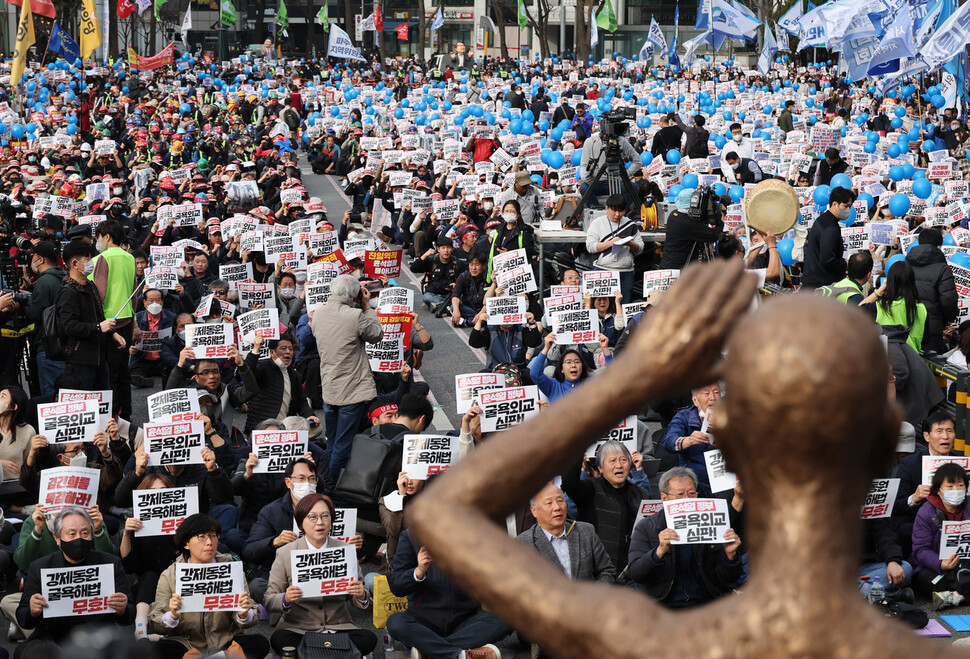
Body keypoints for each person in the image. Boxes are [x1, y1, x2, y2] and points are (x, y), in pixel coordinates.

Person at [264, 493, 376, 655]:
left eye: (325, 516)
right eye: (312, 517)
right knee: (280, 640)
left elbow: (358, 600)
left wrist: (361, 595)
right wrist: (285, 598)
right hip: (298, 628)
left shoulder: (345, 550)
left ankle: (315, 651)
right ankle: (334, 651)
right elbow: (269, 599)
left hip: (338, 626)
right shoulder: (285, 553)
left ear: (331, 520)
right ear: (301, 522)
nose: (320, 522)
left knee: (368, 639)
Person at [149, 513, 268, 659]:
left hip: (225, 639)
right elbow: (156, 623)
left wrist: (243, 614)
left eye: (213, 536)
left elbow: (250, 616)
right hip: (186, 643)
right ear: (186, 543)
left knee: (260, 643)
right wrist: (172, 615)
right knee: (159, 650)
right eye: (202, 537)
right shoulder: (169, 575)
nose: (209, 542)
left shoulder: (231, 569)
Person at [17, 507, 134, 654]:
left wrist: (122, 609)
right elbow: (23, 617)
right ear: (57, 538)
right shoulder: (40, 567)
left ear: (92, 536)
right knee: (23, 652)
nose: (79, 538)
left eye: (85, 533)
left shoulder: (110, 564)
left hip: (99, 638)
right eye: (71, 534)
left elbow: (130, 613)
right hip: (53, 638)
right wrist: (32, 611)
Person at [627, 467, 743, 608]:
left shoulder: (710, 523)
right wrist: (658, 552)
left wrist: (730, 557)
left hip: (705, 603)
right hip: (662, 605)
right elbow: (636, 573)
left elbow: (729, 577)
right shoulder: (646, 526)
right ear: (664, 498)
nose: (687, 500)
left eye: (691, 493)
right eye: (680, 494)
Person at [387, 527, 511, 659]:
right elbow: (396, 586)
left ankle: (429, 651)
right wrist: (418, 572)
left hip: (464, 620)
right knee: (395, 622)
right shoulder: (411, 536)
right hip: (423, 621)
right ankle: (460, 654)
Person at [311, 275, 383, 481]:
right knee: (343, 444)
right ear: (354, 295)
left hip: (329, 387)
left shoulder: (318, 314)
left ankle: (324, 481)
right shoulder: (355, 316)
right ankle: (331, 486)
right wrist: (367, 307)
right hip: (351, 389)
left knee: (332, 441)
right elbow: (377, 334)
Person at [560, 440, 649, 572]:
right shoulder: (590, 488)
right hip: (598, 570)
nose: (619, 465)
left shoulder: (640, 493)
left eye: (623, 460)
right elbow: (569, 484)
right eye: (612, 461)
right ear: (600, 468)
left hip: (631, 569)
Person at [54, 241, 126, 391]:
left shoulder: (90, 285)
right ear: (75, 263)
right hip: (80, 361)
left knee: (103, 405)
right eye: (87, 258)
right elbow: (70, 327)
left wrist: (112, 333)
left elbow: (98, 315)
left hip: (99, 358)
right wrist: (99, 327)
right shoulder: (68, 292)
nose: (91, 262)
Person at [517, 482, 615, 582]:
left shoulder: (585, 531)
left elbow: (607, 571)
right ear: (534, 511)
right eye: (549, 503)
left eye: (560, 501)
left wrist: (592, 595)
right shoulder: (524, 543)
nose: (557, 507)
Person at [893, 411, 958, 554]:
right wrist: (914, 498)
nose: (945, 436)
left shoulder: (961, 462)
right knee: (905, 529)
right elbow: (895, 505)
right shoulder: (909, 464)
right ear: (926, 436)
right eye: (939, 431)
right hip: (918, 520)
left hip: (954, 520)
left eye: (949, 431)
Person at [90, 220, 136, 419]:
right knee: (123, 372)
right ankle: (126, 414)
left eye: (98, 237)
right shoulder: (129, 258)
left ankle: (113, 418)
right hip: (126, 319)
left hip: (109, 323)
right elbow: (134, 293)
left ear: (106, 237)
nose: (97, 241)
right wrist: (134, 320)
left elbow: (98, 294)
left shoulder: (101, 258)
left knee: (110, 375)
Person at [910, 463, 970, 608]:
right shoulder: (926, 512)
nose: (956, 490)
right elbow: (920, 549)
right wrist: (940, 563)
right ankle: (961, 594)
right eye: (950, 487)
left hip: (965, 564)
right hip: (935, 568)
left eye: (960, 485)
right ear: (938, 490)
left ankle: (959, 597)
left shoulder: (968, 507)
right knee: (927, 580)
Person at [662, 383, 721, 496]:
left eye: (716, 392)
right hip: (697, 481)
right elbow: (668, 442)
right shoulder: (684, 417)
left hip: (726, 477)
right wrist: (689, 440)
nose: (712, 398)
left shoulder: (732, 414)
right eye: (706, 393)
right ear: (695, 400)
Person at [905, 228, 957, 354]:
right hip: (931, 328)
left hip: (905, 324)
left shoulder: (906, 263)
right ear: (939, 246)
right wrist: (948, 319)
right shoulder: (943, 268)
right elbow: (948, 300)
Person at [24, 241, 66, 396]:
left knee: (49, 394)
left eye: (33, 257)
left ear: (40, 260)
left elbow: (34, 313)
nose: (32, 261)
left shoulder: (44, 281)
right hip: (65, 343)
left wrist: (26, 301)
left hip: (48, 345)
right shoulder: (65, 276)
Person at [584, 194, 643, 302]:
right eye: (614, 210)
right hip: (602, 270)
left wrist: (630, 244)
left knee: (624, 305)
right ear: (607, 208)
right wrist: (611, 243)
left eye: (621, 211)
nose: (617, 214)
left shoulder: (630, 224)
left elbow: (640, 248)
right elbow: (590, 247)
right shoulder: (597, 223)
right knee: (602, 307)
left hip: (626, 272)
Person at [659, 189, 725, 270]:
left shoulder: (674, 214)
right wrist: (721, 221)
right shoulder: (688, 223)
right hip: (679, 270)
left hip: (668, 264)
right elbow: (714, 235)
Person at [801, 186, 853, 288]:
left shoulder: (823, 220)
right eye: (845, 206)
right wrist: (845, 264)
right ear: (835, 204)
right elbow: (827, 259)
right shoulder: (830, 227)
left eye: (850, 207)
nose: (848, 210)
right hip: (821, 286)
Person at [129, 287, 176, 388]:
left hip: (162, 359)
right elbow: (128, 339)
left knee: (170, 369)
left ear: (162, 302)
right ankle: (141, 381)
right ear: (145, 302)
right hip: (142, 358)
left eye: (158, 300)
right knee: (135, 371)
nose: (154, 303)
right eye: (151, 300)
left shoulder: (172, 317)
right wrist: (131, 349)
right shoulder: (136, 318)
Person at [876, 261, 927, 353]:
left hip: (886, 361)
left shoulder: (879, 306)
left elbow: (858, 308)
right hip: (912, 360)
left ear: (889, 282)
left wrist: (878, 292)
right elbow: (925, 340)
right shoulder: (921, 308)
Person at [411, 235, 460, 314]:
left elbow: (465, 278)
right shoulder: (432, 260)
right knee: (426, 297)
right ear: (438, 249)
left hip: (451, 294)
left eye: (448, 248)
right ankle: (449, 306)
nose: (446, 251)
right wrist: (425, 255)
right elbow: (413, 268)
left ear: (452, 249)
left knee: (461, 297)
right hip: (434, 294)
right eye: (443, 248)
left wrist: (456, 285)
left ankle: (442, 306)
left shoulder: (456, 262)